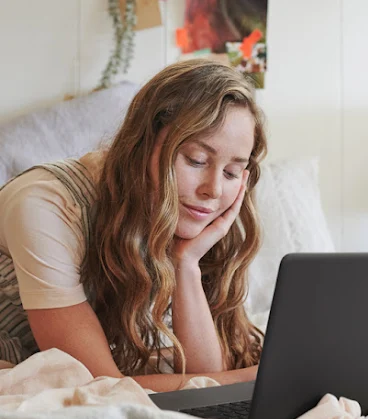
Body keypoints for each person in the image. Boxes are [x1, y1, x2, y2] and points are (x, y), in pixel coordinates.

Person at [0, 58, 267, 392]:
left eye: (231, 173)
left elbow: (205, 381)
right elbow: (101, 385)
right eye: (197, 160)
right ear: (143, 144)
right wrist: (245, 381)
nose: (213, 190)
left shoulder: (174, 222)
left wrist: (187, 264)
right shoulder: (45, 204)